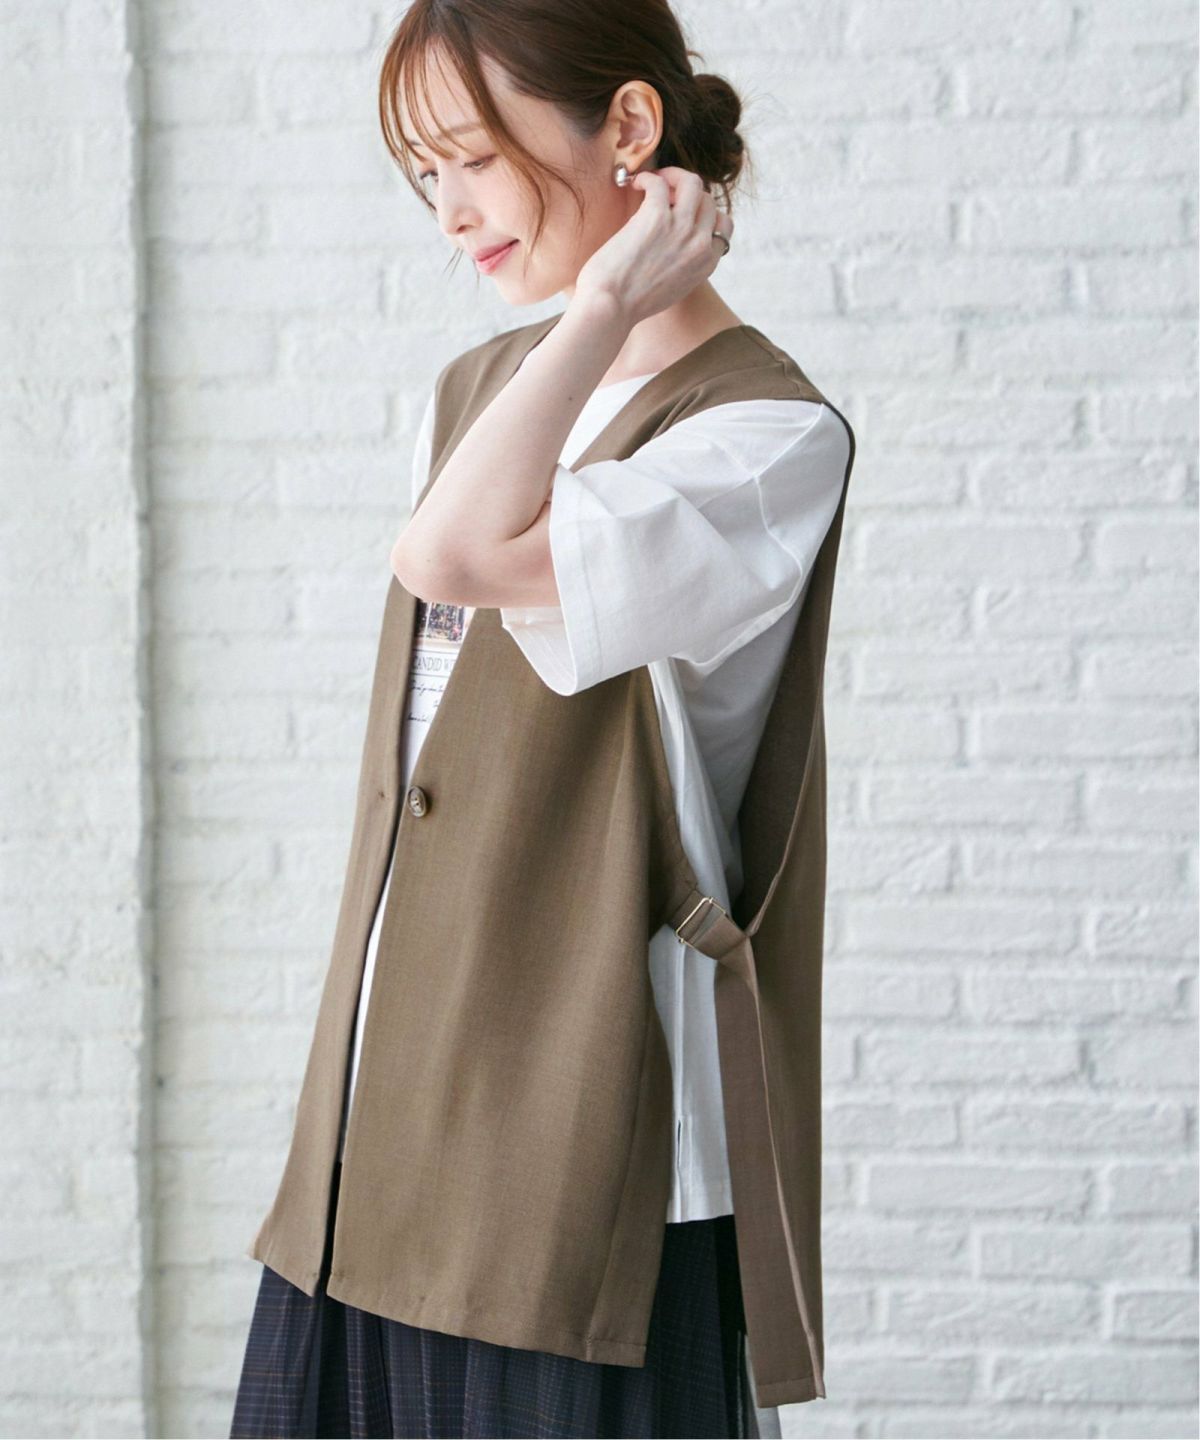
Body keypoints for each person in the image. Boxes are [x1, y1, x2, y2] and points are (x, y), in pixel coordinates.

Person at [230, 1, 854, 1436]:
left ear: (629, 126)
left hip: (578, 1146)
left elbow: (446, 558)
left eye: (472, 158)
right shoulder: (478, 392)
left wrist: (604, 310)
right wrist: (583, 331)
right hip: (381, 1114)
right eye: (423, 173)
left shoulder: (764, 437)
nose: (449, 213)